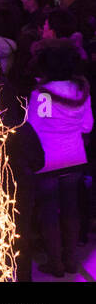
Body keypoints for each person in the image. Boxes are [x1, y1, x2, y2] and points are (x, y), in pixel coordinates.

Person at [26, 41, 93, 276]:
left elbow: (33, 126)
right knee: (71, 209)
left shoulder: (40, 95)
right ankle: (72, 260)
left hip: (48, 159)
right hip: (75, 157)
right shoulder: (81, 91)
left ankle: (55, 263)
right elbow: (87, 126)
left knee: (49, 210)